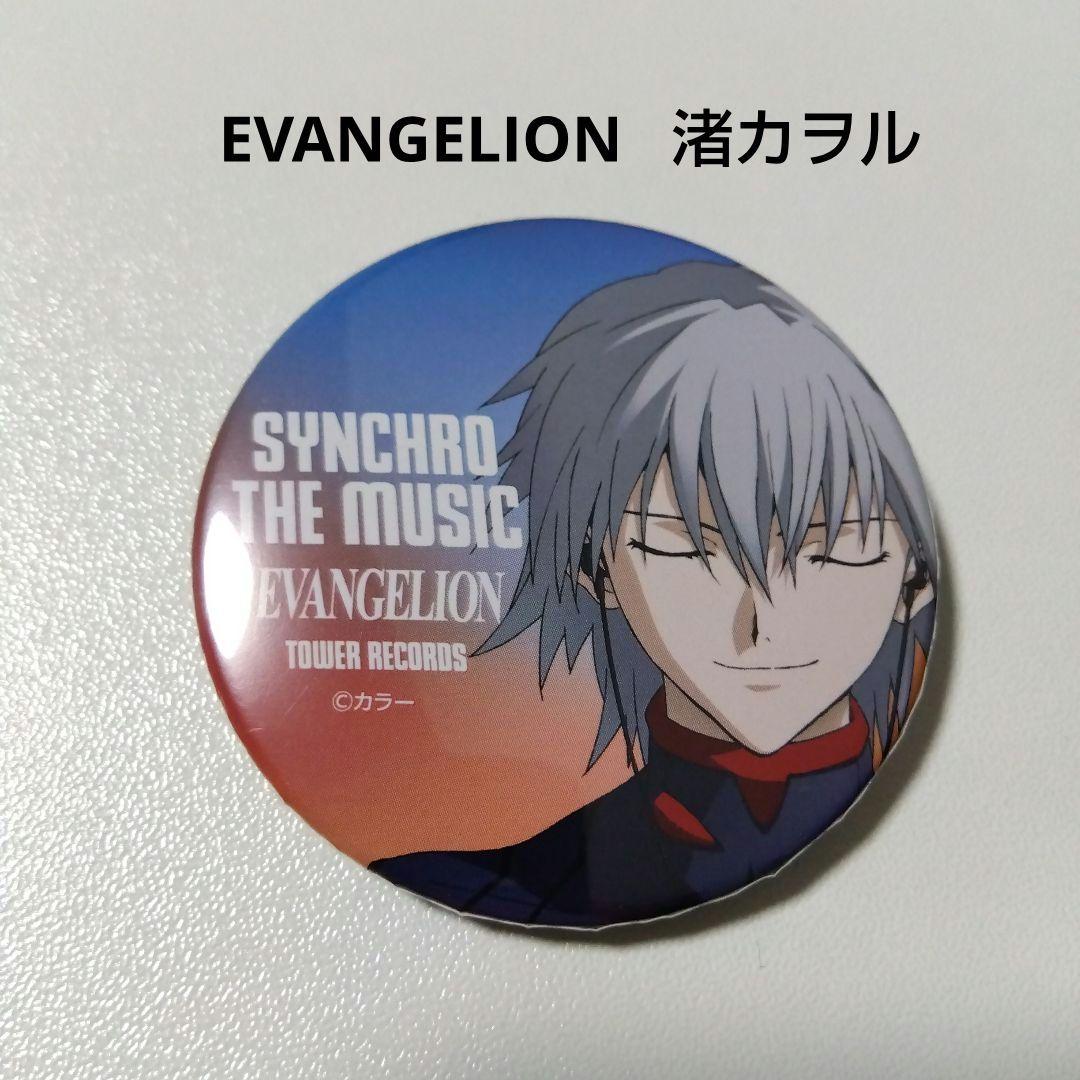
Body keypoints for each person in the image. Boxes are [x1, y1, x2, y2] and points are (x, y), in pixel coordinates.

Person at [372, 261, 937, 928]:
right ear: (595, 566)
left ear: (914, 579)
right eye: (689, 547)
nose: (762, 623)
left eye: (832, 550)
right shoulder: (484, 884)